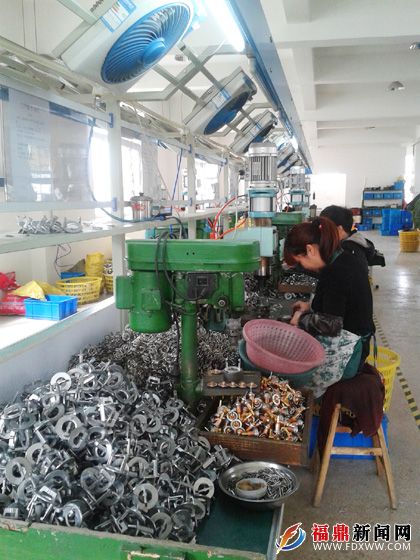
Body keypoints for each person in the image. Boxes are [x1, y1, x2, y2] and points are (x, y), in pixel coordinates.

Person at [284, 216, 375, 368]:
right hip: (357, 342)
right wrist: (310, 306)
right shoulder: (343, 258)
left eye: (300, 261)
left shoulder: (336, 272)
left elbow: (332, 324)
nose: (303, 266)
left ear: (310, 250)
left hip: (348, 356)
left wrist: (301, 319)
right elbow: (341, 302)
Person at [319, 205, 380, 273]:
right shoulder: (351, 241)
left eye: (324, 227)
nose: (321, 231)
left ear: (338, 229)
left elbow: (326, 275)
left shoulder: (347, 254)